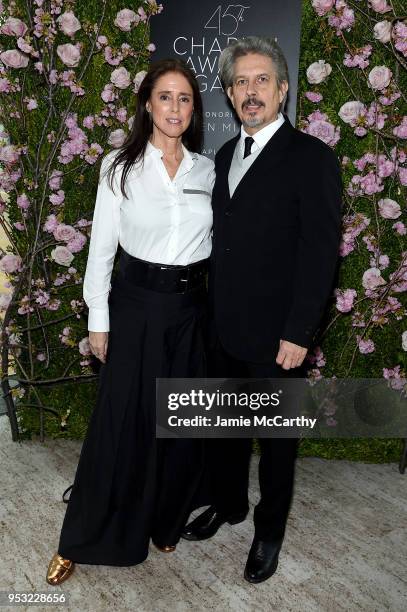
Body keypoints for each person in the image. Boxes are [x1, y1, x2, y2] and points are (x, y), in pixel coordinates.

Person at [46, 58, 215, 585]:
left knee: (180, 423)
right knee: (119, 424)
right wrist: (99, 319)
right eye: (165, 97)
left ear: (194, 109)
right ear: (146, 103)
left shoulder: (206, 170)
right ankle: (80, 538)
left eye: (185, 99)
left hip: (191, 312)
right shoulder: (119, 166)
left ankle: (164, 520)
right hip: (136, 306)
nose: (175, 108)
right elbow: (99, 249)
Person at [181, 37, 343, 584]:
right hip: (222, 329)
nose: (251, 92)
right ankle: (229, 506)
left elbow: (321, 256)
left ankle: (268, 529)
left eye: (261, 81)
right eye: (240, 83)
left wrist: (300, 331)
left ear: (282, 89)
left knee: (276, 446)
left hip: (279, 338)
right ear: (228, 94)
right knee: (224, 431)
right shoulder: (224, 156)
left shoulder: (312, 158)